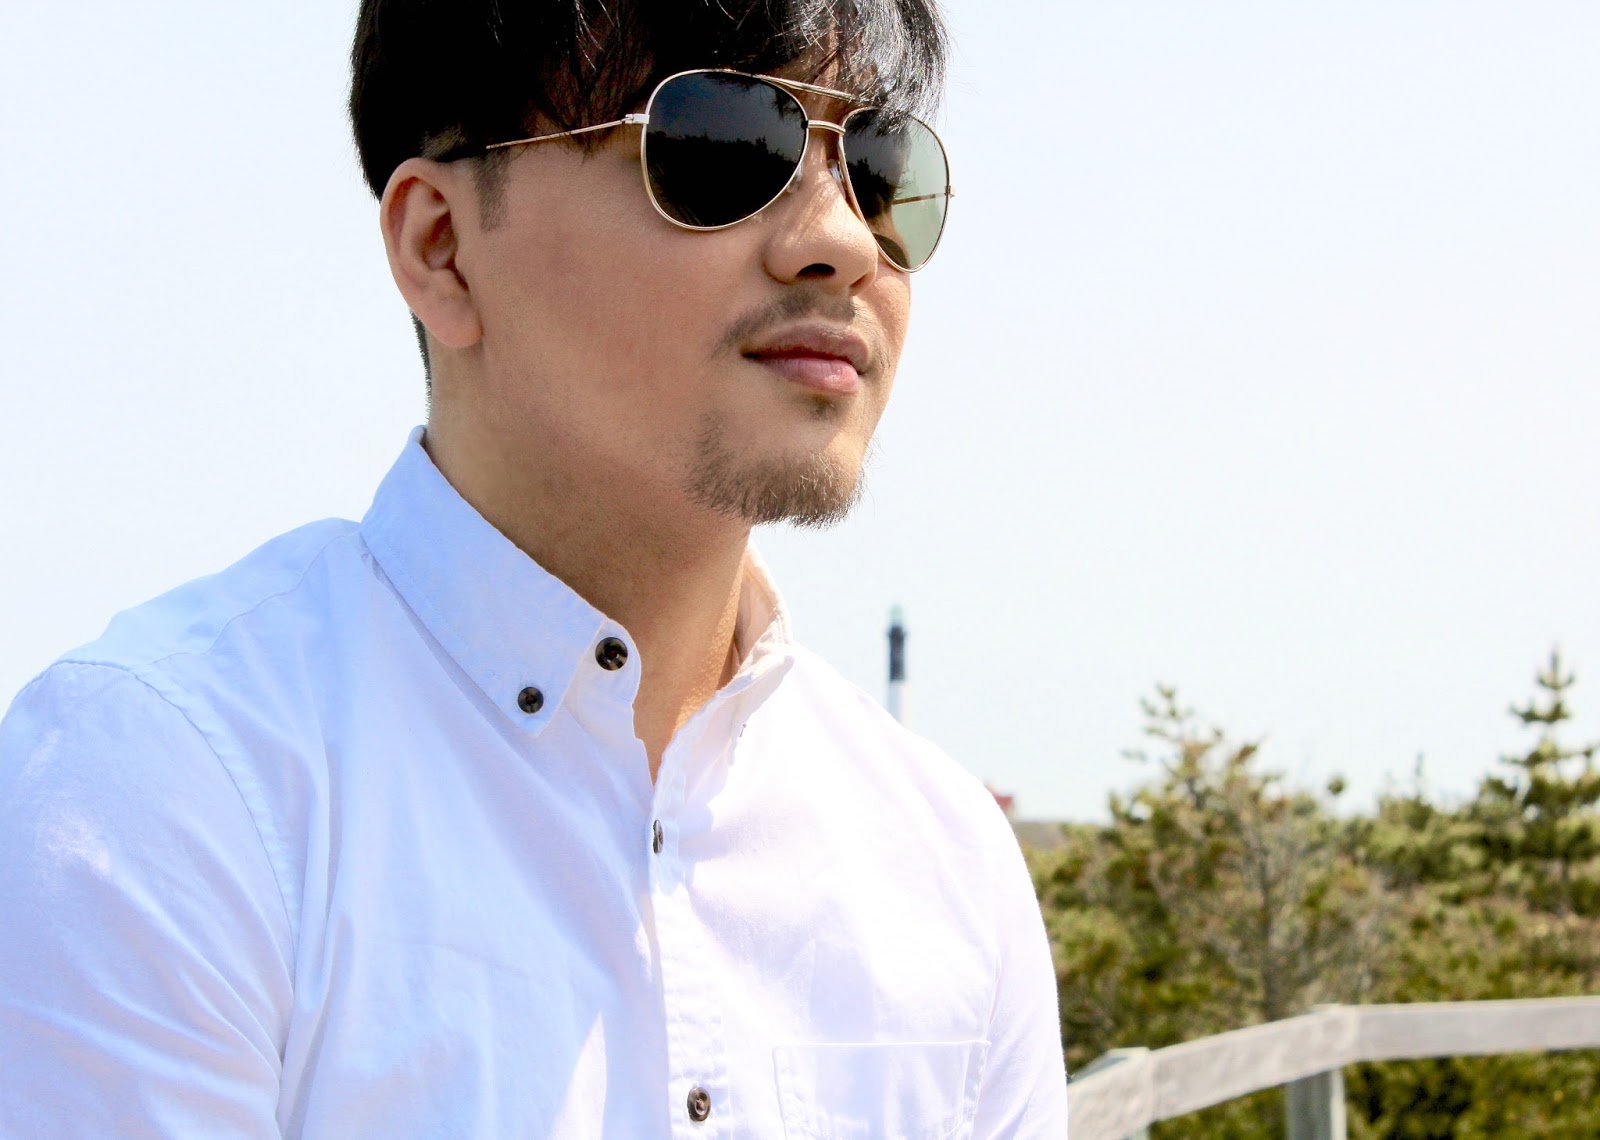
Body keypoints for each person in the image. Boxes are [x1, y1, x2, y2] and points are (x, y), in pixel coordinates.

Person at [0, 1, 1070, 1135]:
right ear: (442, 249)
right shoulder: (171, 787)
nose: (843, 241)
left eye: (878, 167)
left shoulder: (945, 862)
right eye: (722, 141)